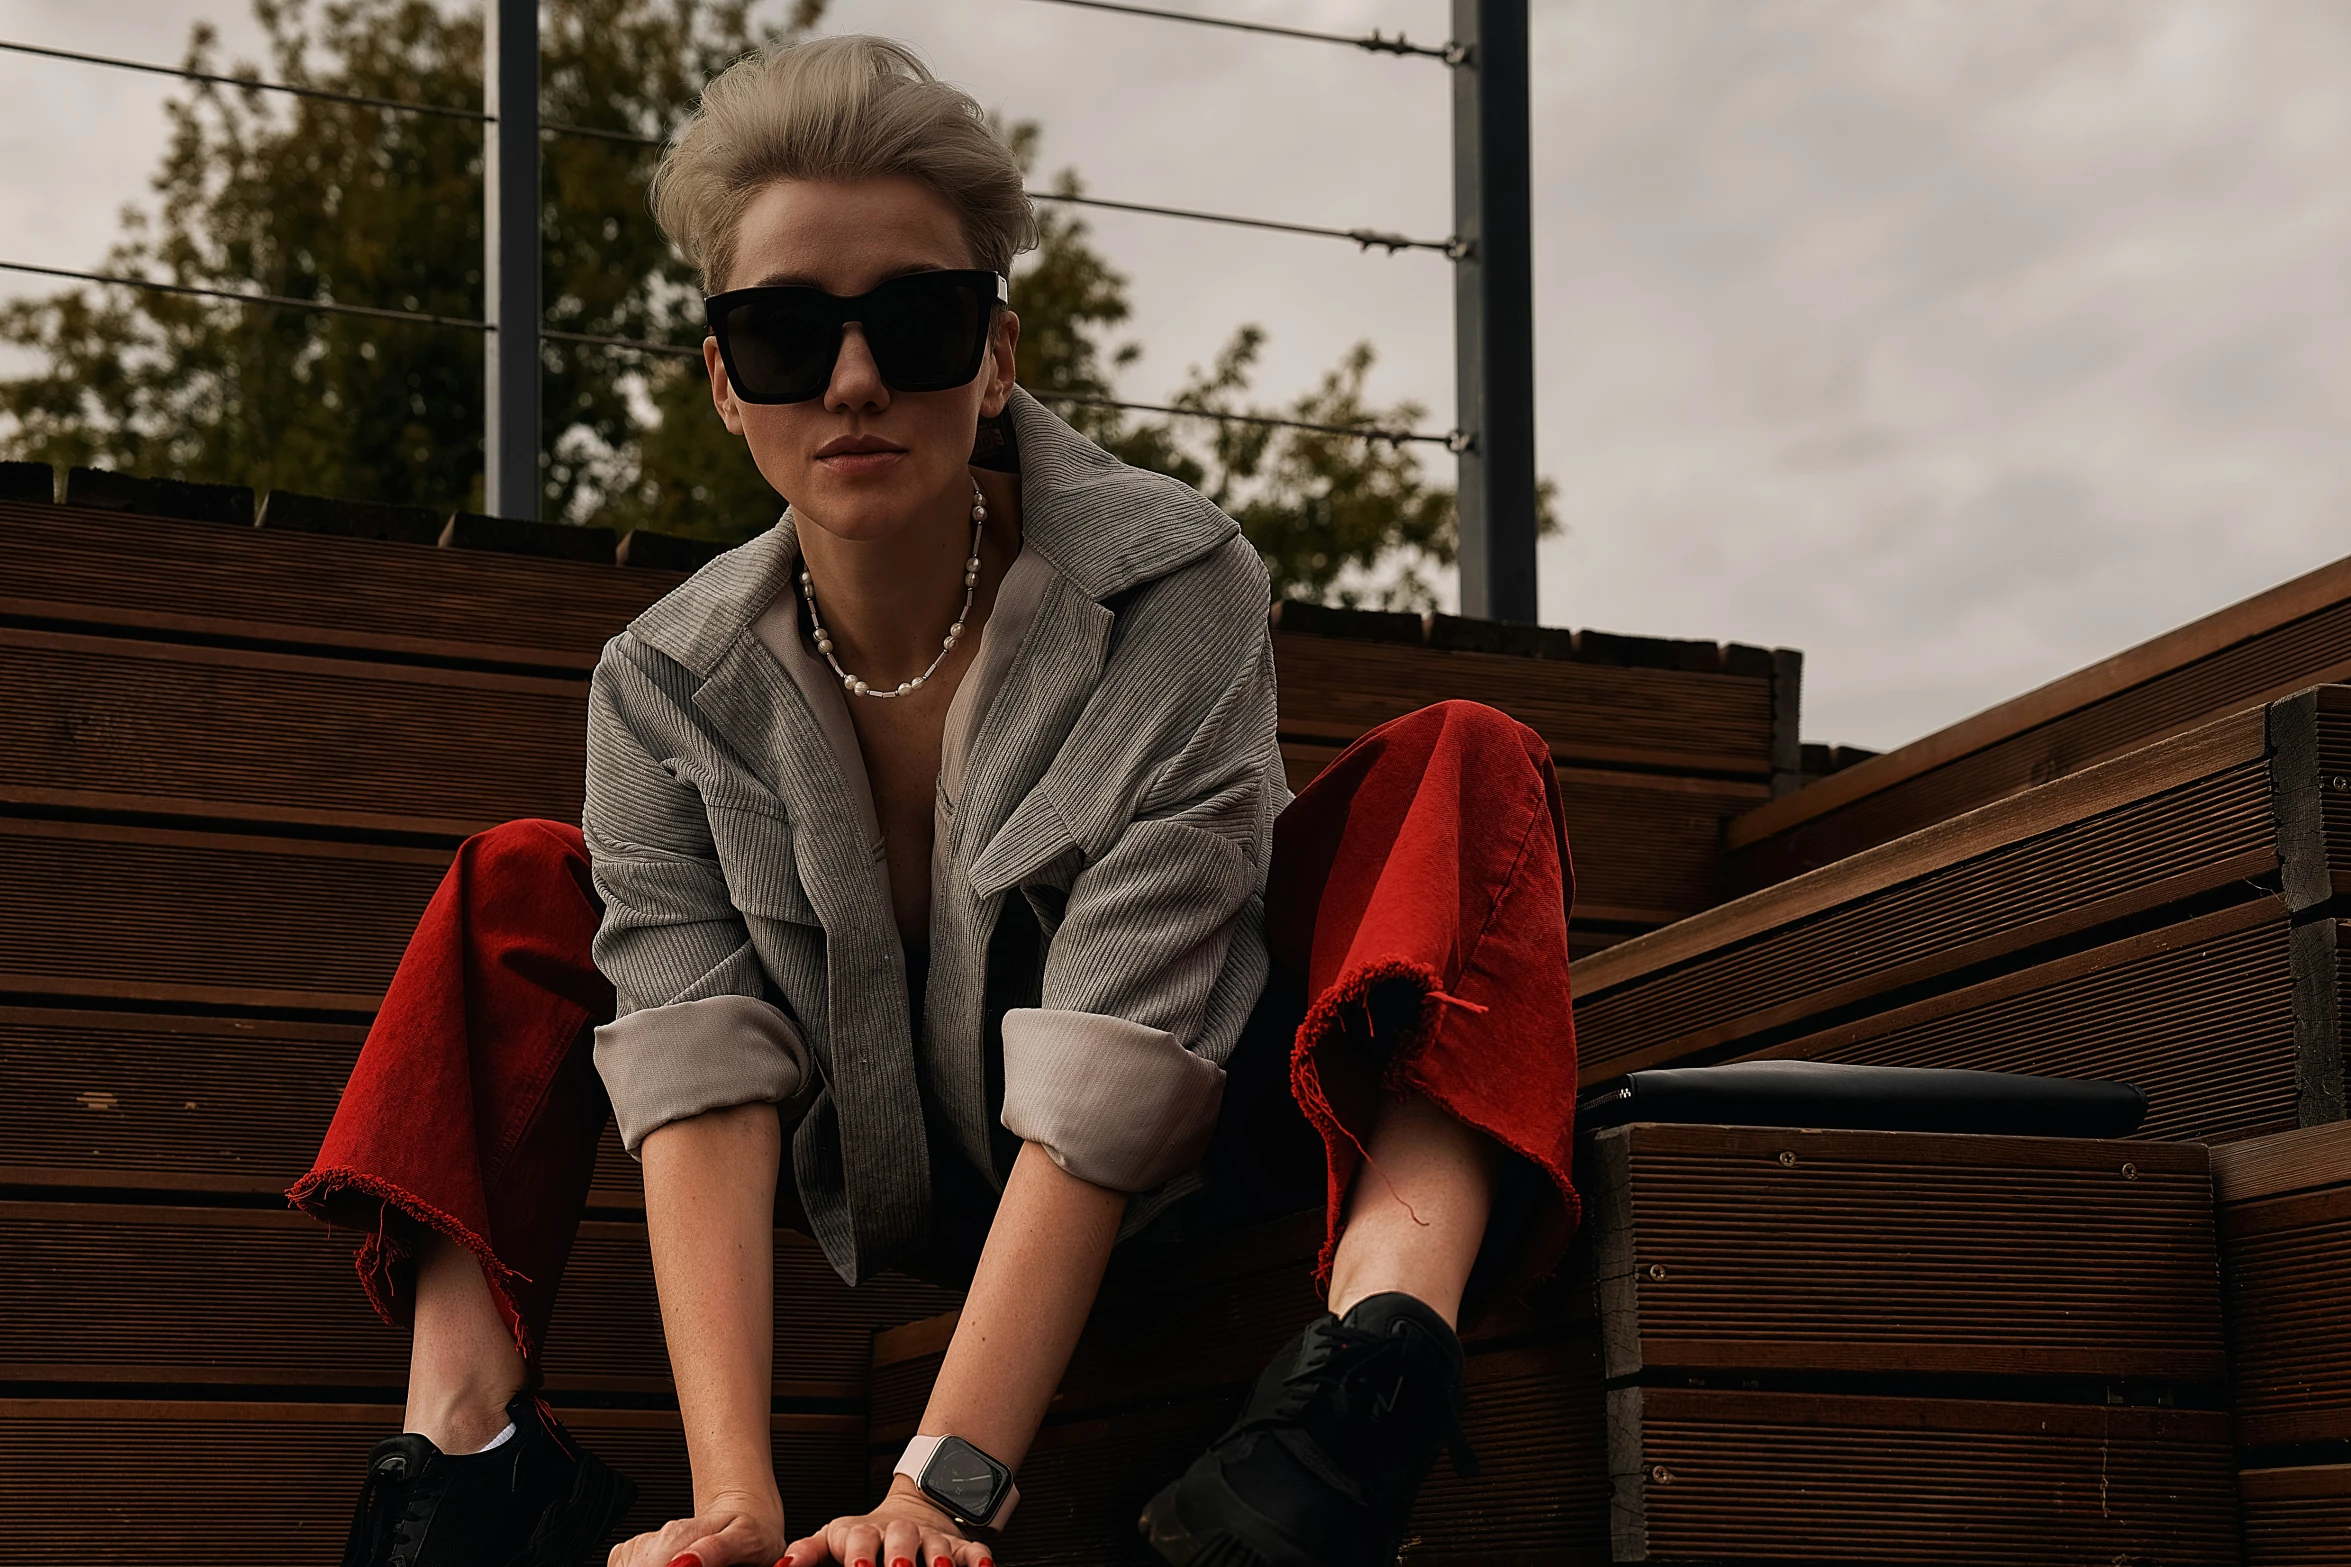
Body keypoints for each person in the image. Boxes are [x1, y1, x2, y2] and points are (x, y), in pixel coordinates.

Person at [293, 34, 1579, 1567]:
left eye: (915, 321)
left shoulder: (1170, 580)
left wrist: (938, 1482)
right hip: (890, 1190)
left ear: (996, 356)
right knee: (514, 879)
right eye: (782, 337)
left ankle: (1365, 1370)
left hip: (1191, 1153)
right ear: (721, 379)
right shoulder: (658, 681)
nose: (850, 382)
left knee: (1466, 760)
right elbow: (696, 1077)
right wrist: (734, 1503)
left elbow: (1124, 1053)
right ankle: (466, 1444)